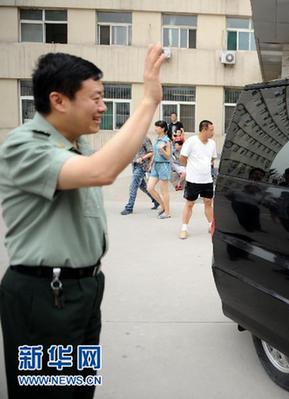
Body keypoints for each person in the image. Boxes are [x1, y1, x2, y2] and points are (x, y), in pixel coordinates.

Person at [0, 45, 165, 398]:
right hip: (44, 296)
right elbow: (103, 172)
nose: (104, 108)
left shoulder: (77, 145)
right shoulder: (23, 146)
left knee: (79, 386)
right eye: (96, 98)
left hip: (85, 290)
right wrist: (149, 101)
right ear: (59, 100)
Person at [178, 120, 217, 239]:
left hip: (207, 180)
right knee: (190, 204)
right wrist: (191, 168)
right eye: (211, 130)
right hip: (193, 180)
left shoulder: (212, 143)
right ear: (204, 129)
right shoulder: (191, 142)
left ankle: (211, 226)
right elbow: (182, 158)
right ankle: (184, 228)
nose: (213, 132)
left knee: (208, 203)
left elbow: (212, 159)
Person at [120, 136, 160, 215]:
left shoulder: (145, 139)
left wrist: (144, 160)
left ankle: (129, 207)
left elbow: (151, 152)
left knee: (133, 186)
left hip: (141, 165)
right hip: (134, 165)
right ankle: (156, 200)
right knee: (143, 187)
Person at [147, 120, 172, 219]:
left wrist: (162, 150)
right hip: (156, 166)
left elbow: (168, 157)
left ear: (163, 129)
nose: (155, 128)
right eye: (155, 126)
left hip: (164, 166)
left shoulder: (167, 141)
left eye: (157, 127)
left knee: (164, 191)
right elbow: (154, 153)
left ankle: (168, 212)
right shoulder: (157, 139)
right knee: (150, 188)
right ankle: (163, 205)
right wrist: (150, 164)